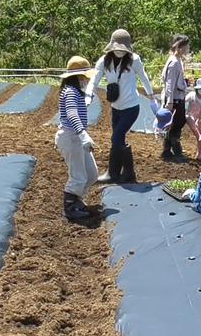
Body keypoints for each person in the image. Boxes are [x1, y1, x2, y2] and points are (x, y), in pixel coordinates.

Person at [85, 29, 156, 184]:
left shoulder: (134, 60)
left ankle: (113, 172)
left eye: (122, 49)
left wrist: (151, 96)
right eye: (116, 48)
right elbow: (95, 79)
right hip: (115, 107)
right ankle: (127, 173)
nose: (119, 52)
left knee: (115, 137)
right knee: (118, 139)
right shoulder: (104, 61)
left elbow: (143, 77)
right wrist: (89, 94)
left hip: (131, 107)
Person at [55, 56, 99, 220]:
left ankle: (77, 199)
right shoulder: (70, 92)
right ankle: (70, 208)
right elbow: (72, 114)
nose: (86, 79)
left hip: (77, 136)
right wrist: (82, 134)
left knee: (92, 174)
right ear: (78, 77)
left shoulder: (75, 92)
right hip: (71, 136)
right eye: (85, 76)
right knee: (78, 176)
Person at [160, 34, 190, 162]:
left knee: (172, 124)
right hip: (175, 98)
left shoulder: (176, 60)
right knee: (176, 124)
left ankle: (167, 150)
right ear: (181, 46)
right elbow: (169, 83)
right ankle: (176, 152)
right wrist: (170, 101)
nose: (188, 48)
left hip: (176, 97)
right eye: (187, 46)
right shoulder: (174, 62)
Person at [185, 78, 201, 161]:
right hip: (189, 115)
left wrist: (198, 120)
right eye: (200, 89)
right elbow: (184, 101)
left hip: (199, 118)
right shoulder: (192, 95)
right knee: (189, 118)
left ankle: (199, 155)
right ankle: (198, 135)